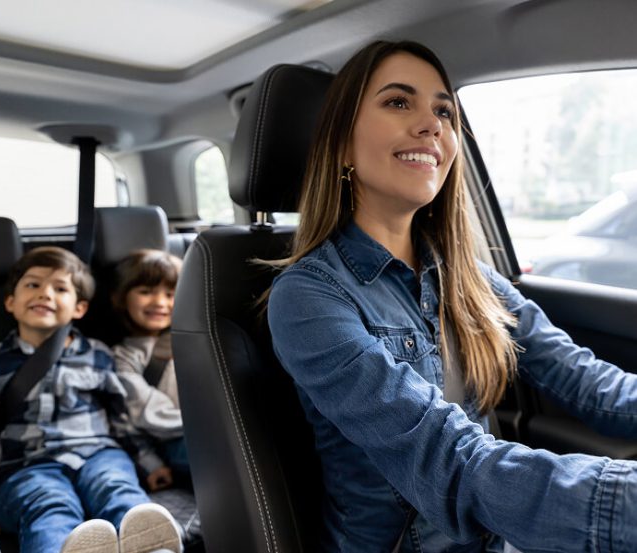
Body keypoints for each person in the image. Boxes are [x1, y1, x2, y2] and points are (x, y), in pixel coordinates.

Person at [266, 40, 637, 553]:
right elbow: (447, 456)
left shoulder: (471, 278)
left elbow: (591, 385)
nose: (431, 124)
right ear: (343, 144)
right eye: (399, 102)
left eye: (444, 110)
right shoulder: (308, 298)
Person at [0, 246, 184, 553]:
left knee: (118, 489)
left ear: (79, 308)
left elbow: (121, 417)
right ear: (11, 301)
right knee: (48, 505)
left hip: (99, 454)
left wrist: (149, 461)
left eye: (60, 288)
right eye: (33, 285)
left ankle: (151, 547)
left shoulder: (99, 355)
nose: (46, 294)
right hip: (27, 466)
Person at [111, 249, 190, 491]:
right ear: (123, 298)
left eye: (170, 293)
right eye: (146, 292)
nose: (160, 302)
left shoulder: (194, 339)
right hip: (175, 440)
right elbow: (146, 412)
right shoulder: (122, 356)